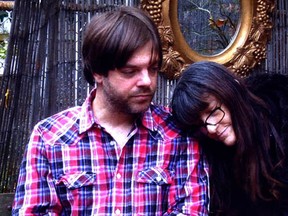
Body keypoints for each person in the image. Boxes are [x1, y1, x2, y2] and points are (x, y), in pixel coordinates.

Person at [12, 6, 209, 215]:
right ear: (98, 71)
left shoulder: (178, 133)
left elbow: (191, 210)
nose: (147, 81)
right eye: (129, 71)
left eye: (152, 68)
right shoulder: (49, 138)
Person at [171, 61, 288, 216]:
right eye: (200, 124)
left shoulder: (281, 110)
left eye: (213, 111)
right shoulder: (217, 159)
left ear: (232, 91)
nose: (211, 128)